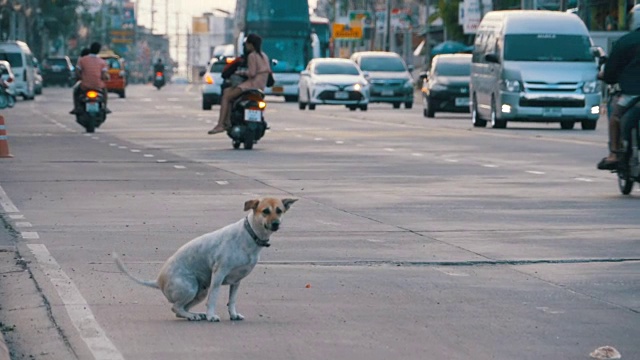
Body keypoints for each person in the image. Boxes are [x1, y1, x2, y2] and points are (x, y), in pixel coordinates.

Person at [597, 4, 640, 170]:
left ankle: (614, 154)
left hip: (632, 93)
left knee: (615, 116)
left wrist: (604, 76)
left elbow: (611, 71)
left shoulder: (625, 41)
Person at [208, 33, 271, 135]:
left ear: (251, 44)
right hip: (261, 87)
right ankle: (228, 121)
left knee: (226, 96)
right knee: (230, 93)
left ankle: (221, 124)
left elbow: (252, 73)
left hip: (251, 85)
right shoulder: (264, 56)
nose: (246, 46)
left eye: (247, 44)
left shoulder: (252, 56)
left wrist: (240, 72)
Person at [70, 42, 111, 114]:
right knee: (105, 91)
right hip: (98, 85)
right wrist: (106, 78)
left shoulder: (82, 60)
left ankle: (76, 107)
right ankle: (105, 107)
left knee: (76, 91)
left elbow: (77, 72)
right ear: (98, 51)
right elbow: (104, 75)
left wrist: (80, 77)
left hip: (85, 85)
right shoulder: (102, 61)